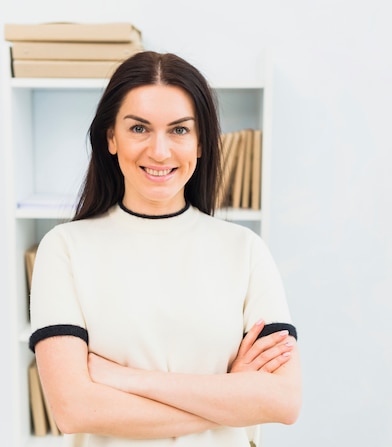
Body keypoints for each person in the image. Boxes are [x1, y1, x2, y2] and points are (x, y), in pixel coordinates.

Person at [28, 51, 301, 447]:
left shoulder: (245, 251)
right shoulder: (64, 249)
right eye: (139, 128)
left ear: (201, 142)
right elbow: (74, 409)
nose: (159, 151)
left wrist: (127, 379)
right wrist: (231, 395)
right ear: (111, 137)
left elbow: (284, 401)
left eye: (179, 130)